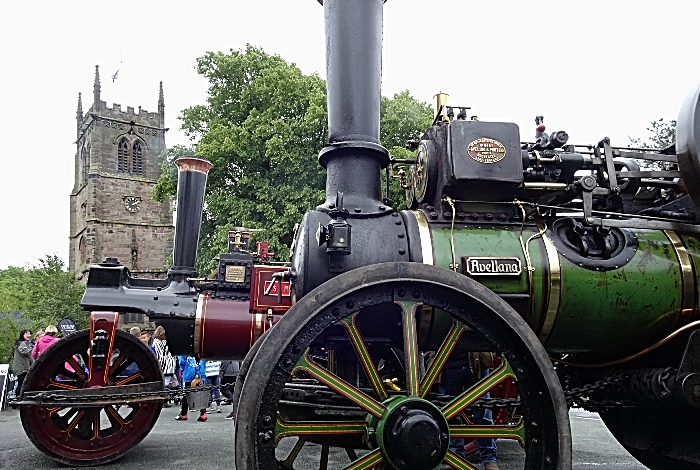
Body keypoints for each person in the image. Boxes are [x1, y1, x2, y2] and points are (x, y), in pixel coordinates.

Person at [438, 348, 500, 470]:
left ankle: (489, 459)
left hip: (477, 365)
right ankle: (456, 456)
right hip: (449, 366)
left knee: (483, 413)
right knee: (450, 414)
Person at [176, 356, 208, 421]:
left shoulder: (186, 350)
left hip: (189, 373)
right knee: (201, 394)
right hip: (201, 373)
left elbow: (182, 362)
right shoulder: (201, 350)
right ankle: (203, 413)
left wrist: (183, 369)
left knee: (187, 394)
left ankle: (183, 413)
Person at [12, 329, 33, 395]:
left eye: (29, 334)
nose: (29, 335)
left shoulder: (21, 343)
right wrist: (34, 350)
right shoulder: (22, 343)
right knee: (22, 384)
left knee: (20, 383)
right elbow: (25, 351)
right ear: (22, 334)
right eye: (27, 334)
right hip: (22, 368)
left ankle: (18, 396)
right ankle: (19, 397)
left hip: (21, 367)